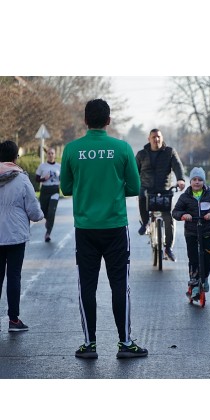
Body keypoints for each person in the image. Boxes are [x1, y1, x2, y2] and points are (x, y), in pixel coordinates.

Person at [60, 99, 148, 359]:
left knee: (86, 285)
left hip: (85, 228)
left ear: (85, 120)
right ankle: (125, 342)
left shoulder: (72, 149)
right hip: (115, 226)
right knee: (120, 285)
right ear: (108, 120)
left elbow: (65, 188)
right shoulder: (121, 148)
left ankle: (89, 344)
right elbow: (134, 188)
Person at [0, 140, 44, 331]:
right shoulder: (22, 178)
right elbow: (33, 210)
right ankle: (14, 320)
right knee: (14, 276)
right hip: (16, 235)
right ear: (14, 157)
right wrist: (40, 216)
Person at [172, 167, 210, 298]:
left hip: (207, 231)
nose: (197, 182)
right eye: (194, 179)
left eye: (200, 180)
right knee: (193, 258)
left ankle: (205, 278)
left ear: (204, 182)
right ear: (190, 181)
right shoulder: (185, 197)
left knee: (209, 257)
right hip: (191, 232)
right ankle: (194, 285)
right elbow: (175, 212)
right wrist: (184, 215)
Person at [135, 128, 185, 262]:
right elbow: (134, 171)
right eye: (153, 137)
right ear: (149, 139)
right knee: (141, 195)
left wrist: (180, 179)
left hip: (164, 190)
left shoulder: (169, 152)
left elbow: (177, 166)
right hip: (147, 188)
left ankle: (168, 248)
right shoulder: (141, 154)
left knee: (169, 218)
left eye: (158, 137)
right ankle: (145, 223)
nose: (156, 139)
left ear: (162, 138)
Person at [35, 147, 61, 242]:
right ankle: (48, 220)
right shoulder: (42, 166)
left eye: (52, 153)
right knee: (44, 211)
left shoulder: (59, 166)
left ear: (55, 155)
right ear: (47, 155)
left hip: (55, 190)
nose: (50, 155)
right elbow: (37, 179)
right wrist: (44, 179)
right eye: (49, 153)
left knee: (52, 212)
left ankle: (48, 233)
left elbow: (63, 179)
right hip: (45, 190)